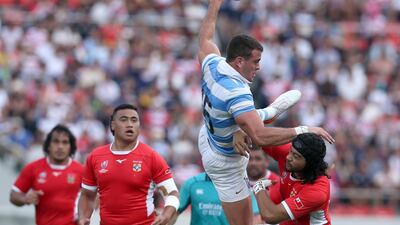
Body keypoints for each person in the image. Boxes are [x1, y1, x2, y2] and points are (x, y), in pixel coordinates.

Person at [197, 1, 334, 225]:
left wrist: (214, 5)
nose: (259, 67)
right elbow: (260, 136)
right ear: (239, 62)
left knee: (249, 120)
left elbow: (205, 39)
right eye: (256, 61)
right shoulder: (238, 93)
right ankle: (267, 113)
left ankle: (268, 111)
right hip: (224, 159)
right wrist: (303, 129)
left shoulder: (213, 63)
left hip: (209, 134)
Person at [78, 103, 179, 225]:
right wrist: (84, 217)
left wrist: (166, 215)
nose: (130, 124)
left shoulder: (151, 157)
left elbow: (172, 192)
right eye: (124, 120)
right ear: (113, 125)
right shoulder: (95, 157)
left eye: (134, 120)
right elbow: (87, 196)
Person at [10, 124, 83, 225]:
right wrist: (25, 198)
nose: (60, 146)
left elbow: (93, 197)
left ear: (71, 147)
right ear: (48, 145)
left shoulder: (81, 171)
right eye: (56, 141)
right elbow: (13, 195)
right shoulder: (33, 168)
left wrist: (83, 216)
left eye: (65, 142)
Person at [252, 133, 332, 225]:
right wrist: (240, 133)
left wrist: (259, 187)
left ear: (310, 163)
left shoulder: (317, 190)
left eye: (296, 156)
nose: (288, 157)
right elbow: (258, 136)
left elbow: (270, 216)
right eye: (291, 151)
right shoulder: (290, 155)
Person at [247, 147, 281, 224]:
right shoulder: (236, 183)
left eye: (258, 159)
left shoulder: (279, 184)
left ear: (267, 161)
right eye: (249, 159)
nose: (253, 163)